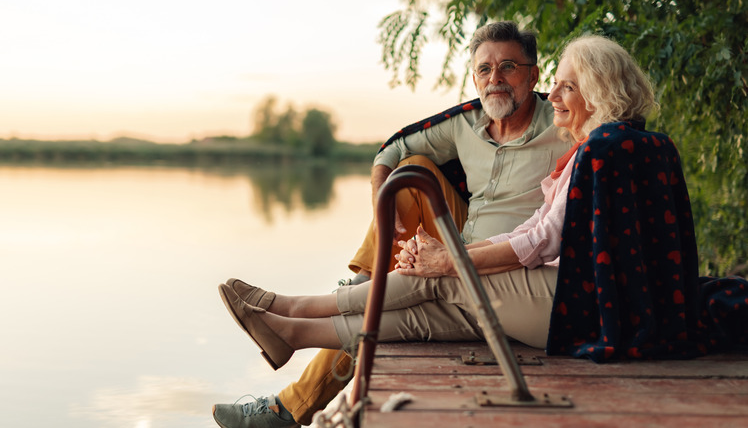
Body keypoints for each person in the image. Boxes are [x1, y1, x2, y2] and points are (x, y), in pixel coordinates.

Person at [212, 21, 571, 428]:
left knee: (390, 295)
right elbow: (394, 149)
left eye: (508, 66)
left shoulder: (563, 125)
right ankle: (366, 282)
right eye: (484, 70)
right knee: (408, 171)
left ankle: (292, 389)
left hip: (516, 268)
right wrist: (381, 203)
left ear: (534, 75)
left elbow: (552, 228)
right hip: (463, 242)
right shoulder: (464, 124)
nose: (496, 79)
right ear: (474, 77)